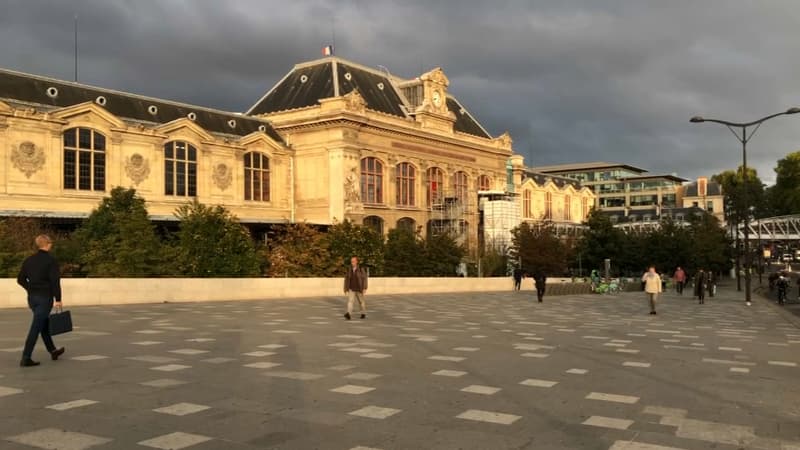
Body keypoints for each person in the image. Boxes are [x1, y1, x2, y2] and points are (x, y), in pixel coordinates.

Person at [17, 234, 65, 367]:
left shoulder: (29, 260)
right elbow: (55, 281)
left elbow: (20, 279)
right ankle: (26, 357)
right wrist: (58, 299)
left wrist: (30, 289)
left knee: (43, 324)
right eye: (51, 243)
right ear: (48, 244)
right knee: (36, 327)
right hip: (45, 298)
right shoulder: (51, 260)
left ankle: (53, 351)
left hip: (32, 298)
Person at [343, 256, 368, 320]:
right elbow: (346, 279)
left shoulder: (361, 269)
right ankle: (349, 314)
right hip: (351, 288)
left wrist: (364, 288)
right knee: (350, 301)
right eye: (351, 261)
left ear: (356, 262)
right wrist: (345, 288)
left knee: (361, 302)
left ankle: (363, 313)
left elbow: (365, 278)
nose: (352, 263)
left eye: (353, 261)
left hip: (359, 288)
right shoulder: (349, 269)